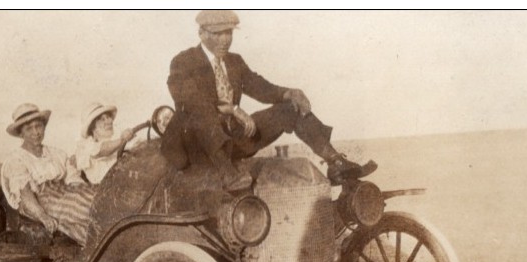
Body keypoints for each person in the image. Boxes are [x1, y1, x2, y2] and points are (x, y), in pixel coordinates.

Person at [160, 10, 377, 191]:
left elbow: (257, 86)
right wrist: (232, 109)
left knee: (289, 108)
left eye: (229, 33)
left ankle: (336, 162)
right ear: (201, 33)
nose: (225, 39)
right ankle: (227, 174)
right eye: (218, 33)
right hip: (196, 147)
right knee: (199, 111)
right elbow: (189, 100)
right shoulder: (183, 61)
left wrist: (288, 93)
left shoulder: (235, 62)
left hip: (233, 138)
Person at [0, 103, 96, 245]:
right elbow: (25, 194)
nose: (36, 132)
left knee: (96, 197)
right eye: (29, 128)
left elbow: (73, 179)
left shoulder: (57, 154)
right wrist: (43, 216)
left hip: (65, 193)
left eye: (38, 126)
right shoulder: (16, 160)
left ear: (44, 127)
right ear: (21, 134)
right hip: (40, 201)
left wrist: (81, 191)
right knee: (86, 211)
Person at [74, 103, 136, 185]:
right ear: (92, 127)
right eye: (102, 119)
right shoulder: (85, 145)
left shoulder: (115, 138)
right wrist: (123, 139)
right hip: (106, 188)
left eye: (108, 117)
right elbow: (102, 150)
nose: (109, 121)